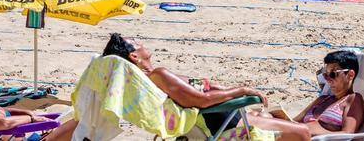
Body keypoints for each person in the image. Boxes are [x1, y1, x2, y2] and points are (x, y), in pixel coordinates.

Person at [101, 34, 268, 114]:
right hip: (218, 120)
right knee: (293, 129)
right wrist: (243, 91)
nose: (140, 41)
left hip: (220, 112)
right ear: (134, 56)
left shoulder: (152, 78)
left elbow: (202, 87)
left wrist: (224, 89)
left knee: (283, 118)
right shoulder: (159, 76)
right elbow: (203, 100)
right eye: (136, 42)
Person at [247, 50, 364, 140]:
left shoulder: (353, 99)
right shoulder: (323, 99)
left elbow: (348, 134)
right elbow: (294, 121)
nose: (328, 80)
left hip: (309, 137)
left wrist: (314, 135)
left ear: (350, 75)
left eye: (333, 74)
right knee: (261, 115)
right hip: (297, 135)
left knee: (255, 122)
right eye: (325, 75)